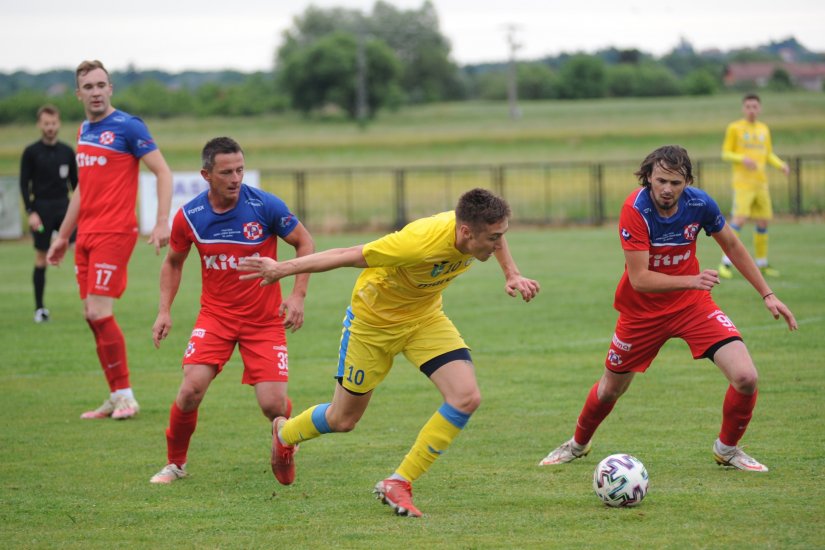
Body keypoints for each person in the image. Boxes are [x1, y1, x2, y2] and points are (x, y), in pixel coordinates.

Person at [238, 187, 540, 517]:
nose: (499, 243)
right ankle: (285, 433)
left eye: (501, 235)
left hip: (424, 319)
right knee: (343, 419)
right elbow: (346, 254)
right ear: (466, 232)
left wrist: (511, 273)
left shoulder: (479, 230)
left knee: (466, 397)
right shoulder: (418, 242)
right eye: (493, 238)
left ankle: (399, 482)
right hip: (373, 325)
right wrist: (282, 268)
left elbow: (497, 233)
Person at [538, 145, 797, 473]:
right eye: (660, 180)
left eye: (675, 182)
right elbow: (640, 279)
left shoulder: (700, 203)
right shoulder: (635, 209)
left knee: (746, 377)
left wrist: (767, 294)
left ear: (687, 181)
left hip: (692, 306)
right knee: (610, 390)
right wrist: (691, 280)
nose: (667, 189)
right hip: (641, 312)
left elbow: (731, 243)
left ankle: (727, 449)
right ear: (647, 178)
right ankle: (577, 444)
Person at [148, 137, 314, 484]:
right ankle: (175, 464)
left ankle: (285, 438)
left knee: (272, 405)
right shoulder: (191, 216)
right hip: (216, 318)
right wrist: (164, 311)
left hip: (264, 321)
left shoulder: (264, 206)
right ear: (206, 174)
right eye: (227, 172)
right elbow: (173, 262)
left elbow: (304, 241)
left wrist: (297, 296)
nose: (236, 178)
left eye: (240, 169)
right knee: (191, 389)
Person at [47, 60, 173, 420]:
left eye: (102, 84)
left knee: (99, 312)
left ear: (111, 88)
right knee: (91, 315)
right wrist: (63, 237)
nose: (96, 91)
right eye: (89, 87)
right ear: (79, 94)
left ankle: (127, 397)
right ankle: (115, 393)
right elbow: (83, 190)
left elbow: (162, 172)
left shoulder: (128, 127)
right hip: (85, 234)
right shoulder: (84, 129)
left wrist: (162, 221)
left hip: (115, 233)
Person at [718, 93, 790, 279]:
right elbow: (725, 153)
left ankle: (762, 263)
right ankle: (725, 263)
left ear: (760, 108)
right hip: (743, 184)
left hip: (761, 184)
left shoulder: (764, 129)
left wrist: (781, 164)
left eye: (755, 106)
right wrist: (742, 158)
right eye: (748, 106)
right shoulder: (735, 128)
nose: (752, 110)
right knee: (739, 221)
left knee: (763, 222)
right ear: (743, 108)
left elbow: (767, 154)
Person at [19, 104, 78, 323]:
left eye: (53, 123)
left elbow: (77, 185)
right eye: (46, 124)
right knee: (41, 257)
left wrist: (83, 211)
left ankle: (90, 304)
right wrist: (30, 212)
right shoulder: (31, 152)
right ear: (39, 125)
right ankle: (40, 309)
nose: (50, 127)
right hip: (41, 210)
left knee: (79, 252)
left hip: (65, 208)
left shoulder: (66, 151)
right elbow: (24, 184)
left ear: (58, 124)